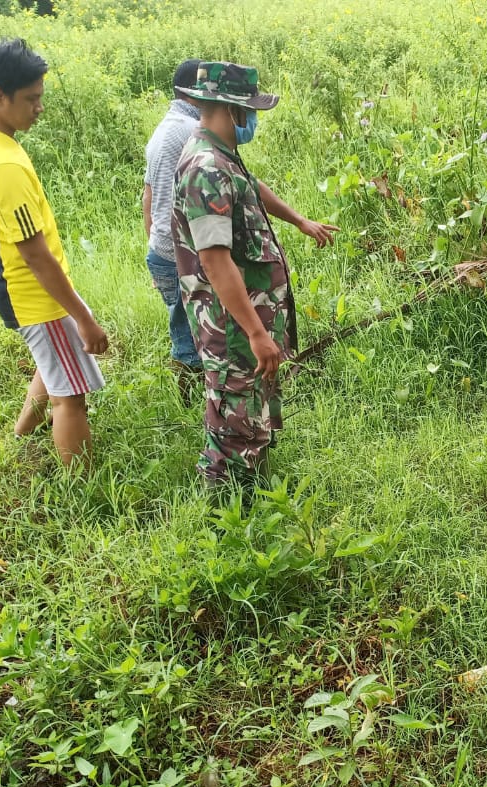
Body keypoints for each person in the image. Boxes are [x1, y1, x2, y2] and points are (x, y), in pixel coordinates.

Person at [171, 61, 337, 488]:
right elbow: (214, 260)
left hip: (245, 319)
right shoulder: (205, 167)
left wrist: (299, 221)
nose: (253, 119)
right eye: (250, 110)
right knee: (234, 416)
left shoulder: (221, 154)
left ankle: (254, 494)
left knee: (250, 406)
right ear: (232, 110)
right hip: (230, 325)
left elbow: (250, 186)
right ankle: (229, 514)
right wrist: (255, 333)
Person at [0, 38, 108, 468]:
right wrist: (83, 318)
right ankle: (83, 490)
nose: (39, 108)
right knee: (71, 398)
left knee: (52, 362)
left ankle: (22, 436)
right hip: (36, 294)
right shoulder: (1, 164)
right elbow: (35, 254)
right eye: (31, 99)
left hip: (12, 284)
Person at [144, 58, 203, 402]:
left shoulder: (164, 129)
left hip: (163, 249)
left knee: (183, 324)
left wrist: (155, 248)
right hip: (181, 251)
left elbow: (147, 197)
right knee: (192, 333)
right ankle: (191, 403)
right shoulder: (190, 131)